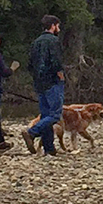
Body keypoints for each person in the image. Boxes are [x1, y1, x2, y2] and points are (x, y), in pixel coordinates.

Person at [24, 14, 67, 154]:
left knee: (45, 114)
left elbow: (30, 64)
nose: (58, 28)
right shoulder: (53, 41)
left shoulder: (36, 42)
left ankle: (49, 148)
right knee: (55, 114)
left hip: (39, 82)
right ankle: (32, 132)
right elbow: (56, 60)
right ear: (53, 26)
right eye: (58, 26)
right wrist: (59, 73)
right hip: (52, 81)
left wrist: (36, 76)